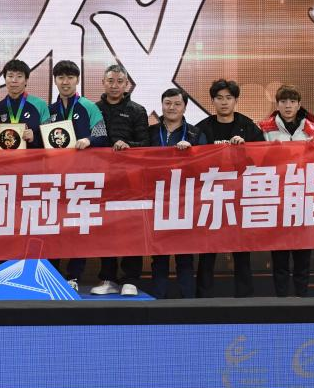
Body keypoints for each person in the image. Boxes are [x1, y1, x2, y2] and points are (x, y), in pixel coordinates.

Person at [195, 79, 263, 298]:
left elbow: (263, 158)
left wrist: (245, 149)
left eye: (228, 98)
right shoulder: (201, 128)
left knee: (241, 251)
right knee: (207, 252)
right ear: (212, 101)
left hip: (240, 197)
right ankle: (203, 299)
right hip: (210, 197)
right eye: (219, 98)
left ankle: (245, 298)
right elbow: (193, 163)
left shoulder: (248, 127)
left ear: (235, 100)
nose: (224, 102)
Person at [47, 60, 109, 291]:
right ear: (55, 80)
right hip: (54, 179)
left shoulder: (88, 107)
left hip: (82, 178)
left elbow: (103, 136)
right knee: (53, 228)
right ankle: (51, 274)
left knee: (78, 228)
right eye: (61, 77)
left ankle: (73, 276)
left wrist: (89, 140)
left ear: (77, 80)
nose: (65, 82)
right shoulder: (49, 110)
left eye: (70, 77)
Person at [259, 84, 314, 297]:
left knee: (303, 255)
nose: (288, 106)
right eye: (283, 101)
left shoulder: (312, 129)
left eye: (292, 102)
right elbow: (257, 161)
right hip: (277, 199)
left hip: (303, 198)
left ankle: (301, 299)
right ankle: (281, 300)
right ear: (277, 104)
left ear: (299, 104)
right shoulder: (265, 129)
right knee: (280, 256)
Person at [91, 64, 149, 297]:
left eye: (119, 81)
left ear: (127, 85)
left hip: (131, 181)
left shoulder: (137, 110)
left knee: (131, 229)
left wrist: (128, 146)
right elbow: (90, 140)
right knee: (106, 230)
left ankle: (131, 279)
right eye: (110, 81)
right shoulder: (93, 109)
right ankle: (108, 278)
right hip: (102, 180)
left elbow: (146, 144)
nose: (114, 86)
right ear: (103, 83)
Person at [147, 87, 206, 299]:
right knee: (159, 256)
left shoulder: (195, 134)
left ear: (185, 107)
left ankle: (188, 304)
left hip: (185, 201)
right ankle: (158, 301)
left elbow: (206, 165)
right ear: (162, 105)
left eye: (177, 104)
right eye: (167, 103)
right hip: (157, 200)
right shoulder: (150, 132)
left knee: (185, 256)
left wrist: (193, 153)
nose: (172, 108)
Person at [0, 60, 48, 149]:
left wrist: (34, 138)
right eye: (10, 76)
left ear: (26, 80)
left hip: (33, 157)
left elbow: (49, 138)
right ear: (5, 79)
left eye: (19, 76)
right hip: (4, 157)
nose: (14, 80)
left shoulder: (40, 105)